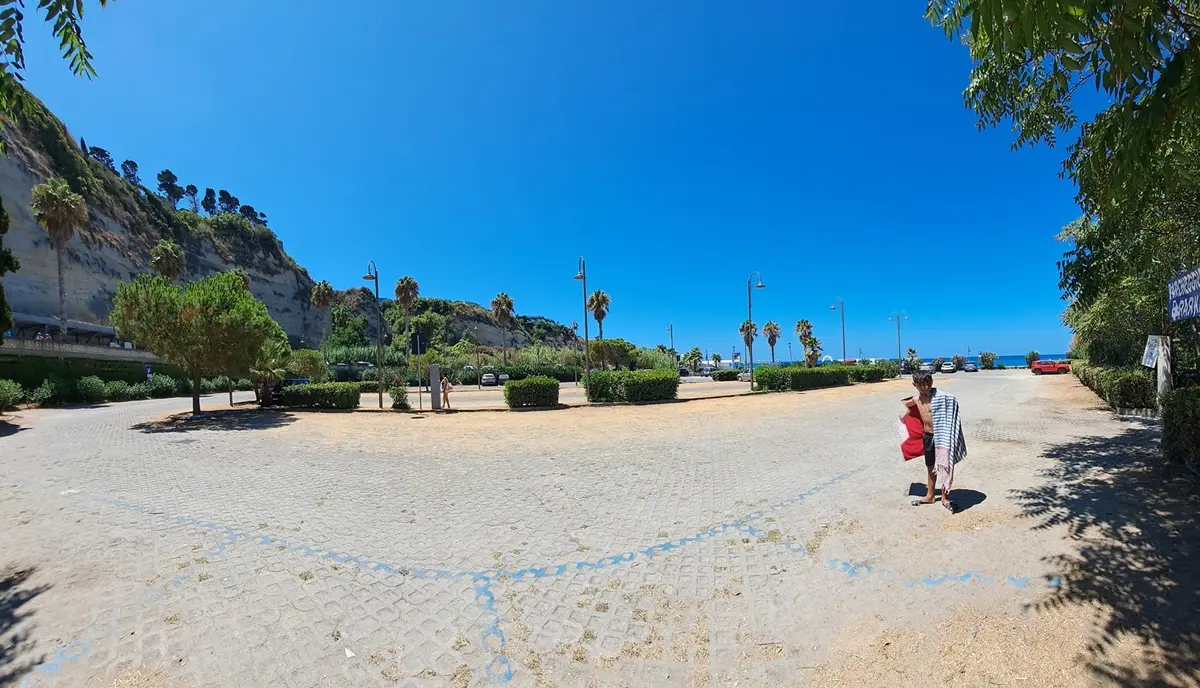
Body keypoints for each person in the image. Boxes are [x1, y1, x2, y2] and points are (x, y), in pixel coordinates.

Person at [903, 370, 967, 512]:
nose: (925, 387)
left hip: (942, 437)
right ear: (914, 384)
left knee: (944, 466)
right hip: (927, 436)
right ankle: (930, 495)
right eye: (921, 385)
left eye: (928, 383)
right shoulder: (915, 399)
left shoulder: (942, 398)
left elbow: (953, 407)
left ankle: (944, 498)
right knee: (930, 466)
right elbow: (907, 407)